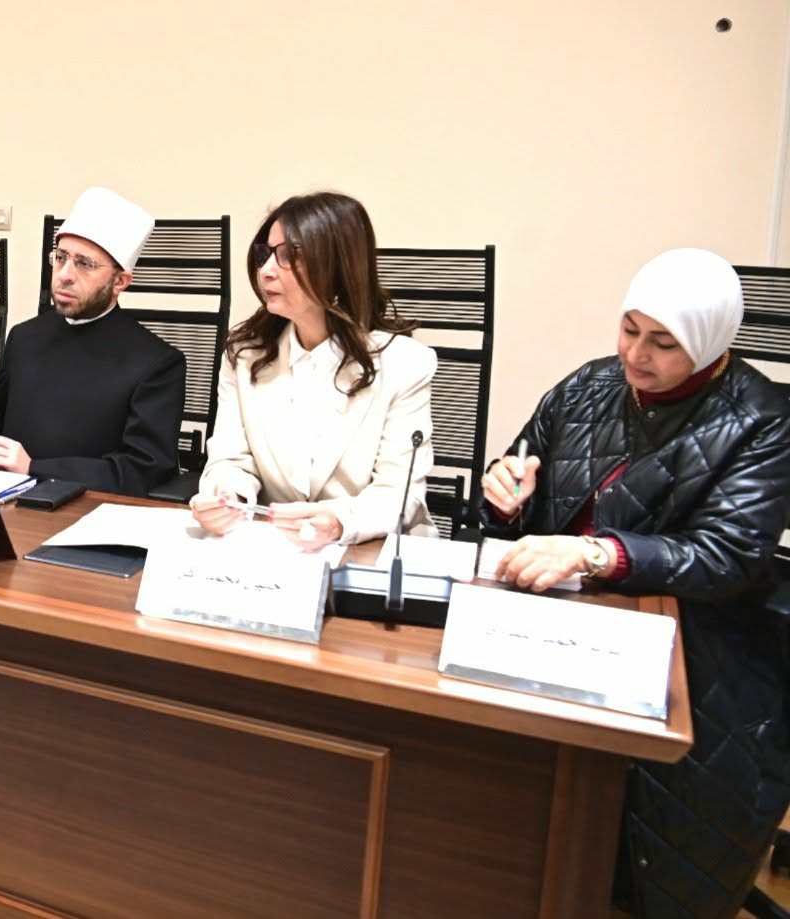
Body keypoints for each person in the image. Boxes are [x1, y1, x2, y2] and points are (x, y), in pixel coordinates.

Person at [479, 248, 790, 919]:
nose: (635, 354)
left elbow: (726, 556)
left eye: (663, 342)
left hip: (694, 637)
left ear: (709, 341)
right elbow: (522, 473)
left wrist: (596, 554)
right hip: (559, 613)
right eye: (629, 329)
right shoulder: (587, 386)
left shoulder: (765, 417)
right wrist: (507, 495)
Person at [189, 191, 436, 547]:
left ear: (338, 268)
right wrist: (228, 496)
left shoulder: (405, 364)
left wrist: (338, 522)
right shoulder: (244, 356)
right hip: (276, 547)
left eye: (288, 256)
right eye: (265, 254)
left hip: (371, 550)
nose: (266, 271)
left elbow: (400, 493)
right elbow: (230, 459)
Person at [0, 187, 185, 497]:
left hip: (86, 508)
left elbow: (143, 470)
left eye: (85, 264)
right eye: (60, 258)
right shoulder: (25, 337)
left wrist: (33, 467)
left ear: (120, 281)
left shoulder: (156, 363)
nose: (64, 274)